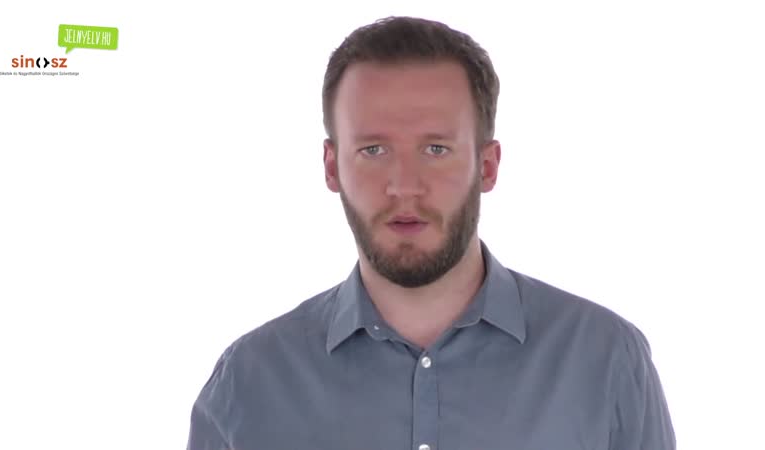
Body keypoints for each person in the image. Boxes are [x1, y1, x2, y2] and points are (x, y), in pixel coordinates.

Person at [186, 15, 676, 450]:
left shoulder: (604, 360)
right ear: (332, 167)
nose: (405, 186)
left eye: (436, 149)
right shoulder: (249, 383)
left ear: (487, 166)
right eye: (374, 150)